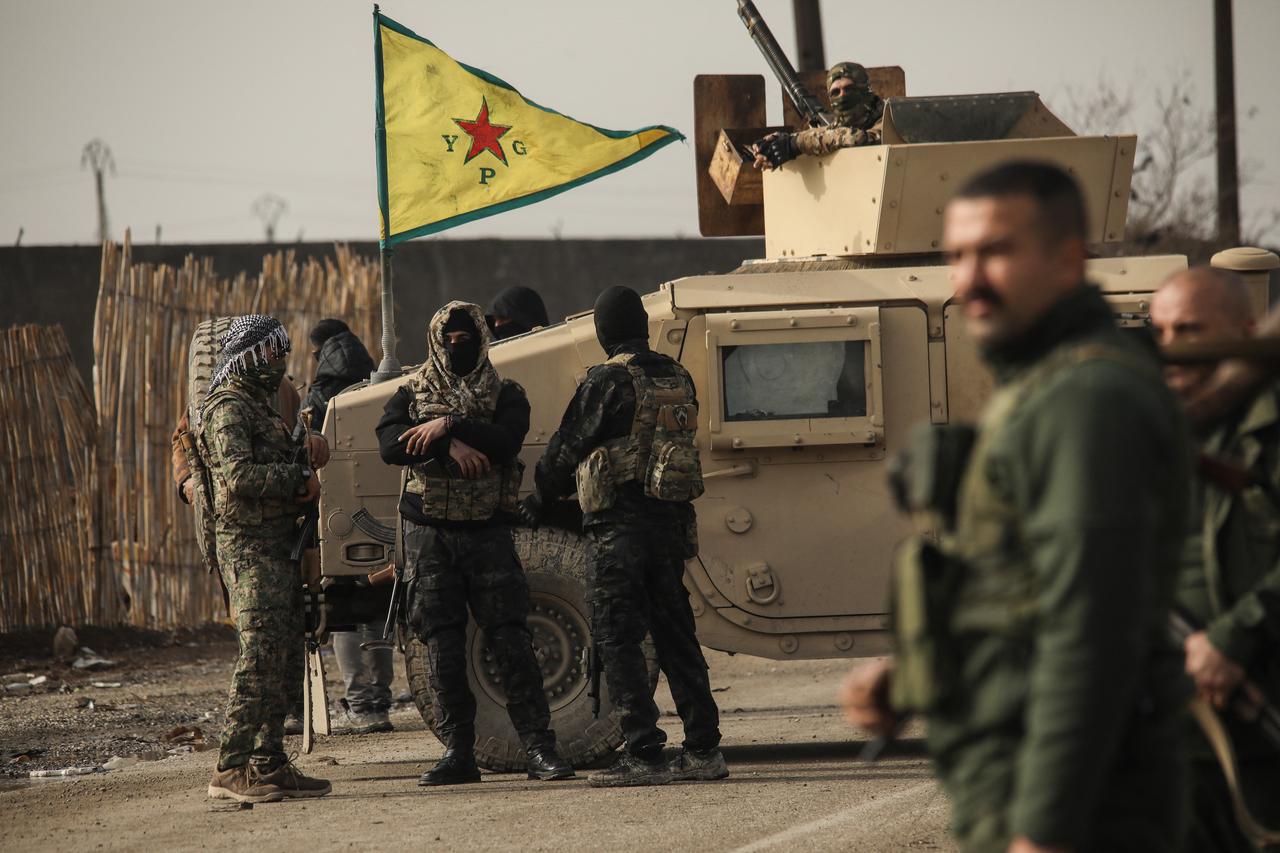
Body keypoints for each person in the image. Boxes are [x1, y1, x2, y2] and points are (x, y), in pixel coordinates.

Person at [841, 161, 1190, 852]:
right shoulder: (1038, 390)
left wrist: (1046, 827)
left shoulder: (1085, 399)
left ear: (1066, 259)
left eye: (996, 251)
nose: (969, 279)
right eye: (957, 255)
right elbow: (1018, 594)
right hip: (1020, 786)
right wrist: (917, 675)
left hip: (1082, 810)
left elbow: (1090, 629)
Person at [520, 285, 727, 788]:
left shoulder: (608, 381)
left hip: (619, 530)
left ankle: (644, 752)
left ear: (603, 332)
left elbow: (566, 450)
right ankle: (703, 749)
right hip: (671, 527)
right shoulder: (676, 376)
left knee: (618, 636)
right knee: (677, 635)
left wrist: (537, 500)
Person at [376, 301, 573, 785]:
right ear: (434, 341)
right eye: (449, 340)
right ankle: (458, 753)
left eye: (466, 339)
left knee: (510, 640)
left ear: (482, 340)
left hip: (487, 531)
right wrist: (449, 444)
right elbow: (389, 446)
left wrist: (449, 425)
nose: (456, 347)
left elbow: (506, 441)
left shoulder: (506, 392)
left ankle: (539, 750)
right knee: (441, 645)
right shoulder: (410, 391)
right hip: (431, 536)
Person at [1150, 266, 1280, 852]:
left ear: (1247, 330)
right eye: (1162, 331)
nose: (1174, 348)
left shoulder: (1268, 431)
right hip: (1174, 737)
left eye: (1192, 329)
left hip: (1263, 727)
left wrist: (1235, 636)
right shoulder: (1151, 432)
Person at [198, 315, 331, 803]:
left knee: (285, 656)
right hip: (248, 548)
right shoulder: (228, 407)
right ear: (252, 356)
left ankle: (269, 761)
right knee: (257, 658)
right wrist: (297, 478)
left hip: (278, 546)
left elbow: (282, 454)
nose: (280, 365)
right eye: (274, 355)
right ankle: (229, 769)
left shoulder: (262, 406)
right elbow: (238, 477)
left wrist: (308, 451)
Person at [297, 318, 394, 735]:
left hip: (331, 520)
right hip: (381, 518)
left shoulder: (316, 399)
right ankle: (382, 703)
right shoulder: (380, 386)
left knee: (342, 615)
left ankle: (360, 703)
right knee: (377, 607)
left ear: (318, 352)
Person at [752, 61, 884, 171]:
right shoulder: (841, 125)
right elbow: (826, 133)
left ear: (865, 89)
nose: (842, 96)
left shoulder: (890, 118)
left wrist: (795, 144)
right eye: (835, 92)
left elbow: (858, 139)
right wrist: (778, 141)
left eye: (849, 89)